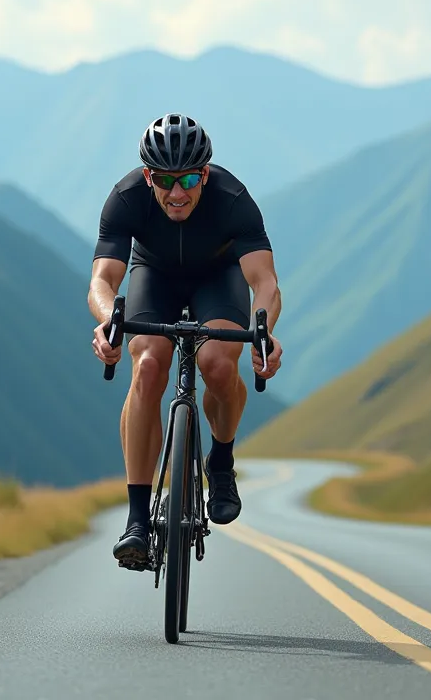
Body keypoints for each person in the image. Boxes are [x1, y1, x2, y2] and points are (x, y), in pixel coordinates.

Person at [87, 112, 283, 570]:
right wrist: (107, 322)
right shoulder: (126, 197)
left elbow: (265, 282)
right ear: (148, 176)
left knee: (218, 364)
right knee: (149, 365)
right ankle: (137, 521)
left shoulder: (233, 200)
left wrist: (263, 331)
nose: (178, 193)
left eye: (190, 179)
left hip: (218, 279)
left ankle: (221, 460)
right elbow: (102, 280)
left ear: (206, 173)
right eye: (165, 180)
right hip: (153, 276)